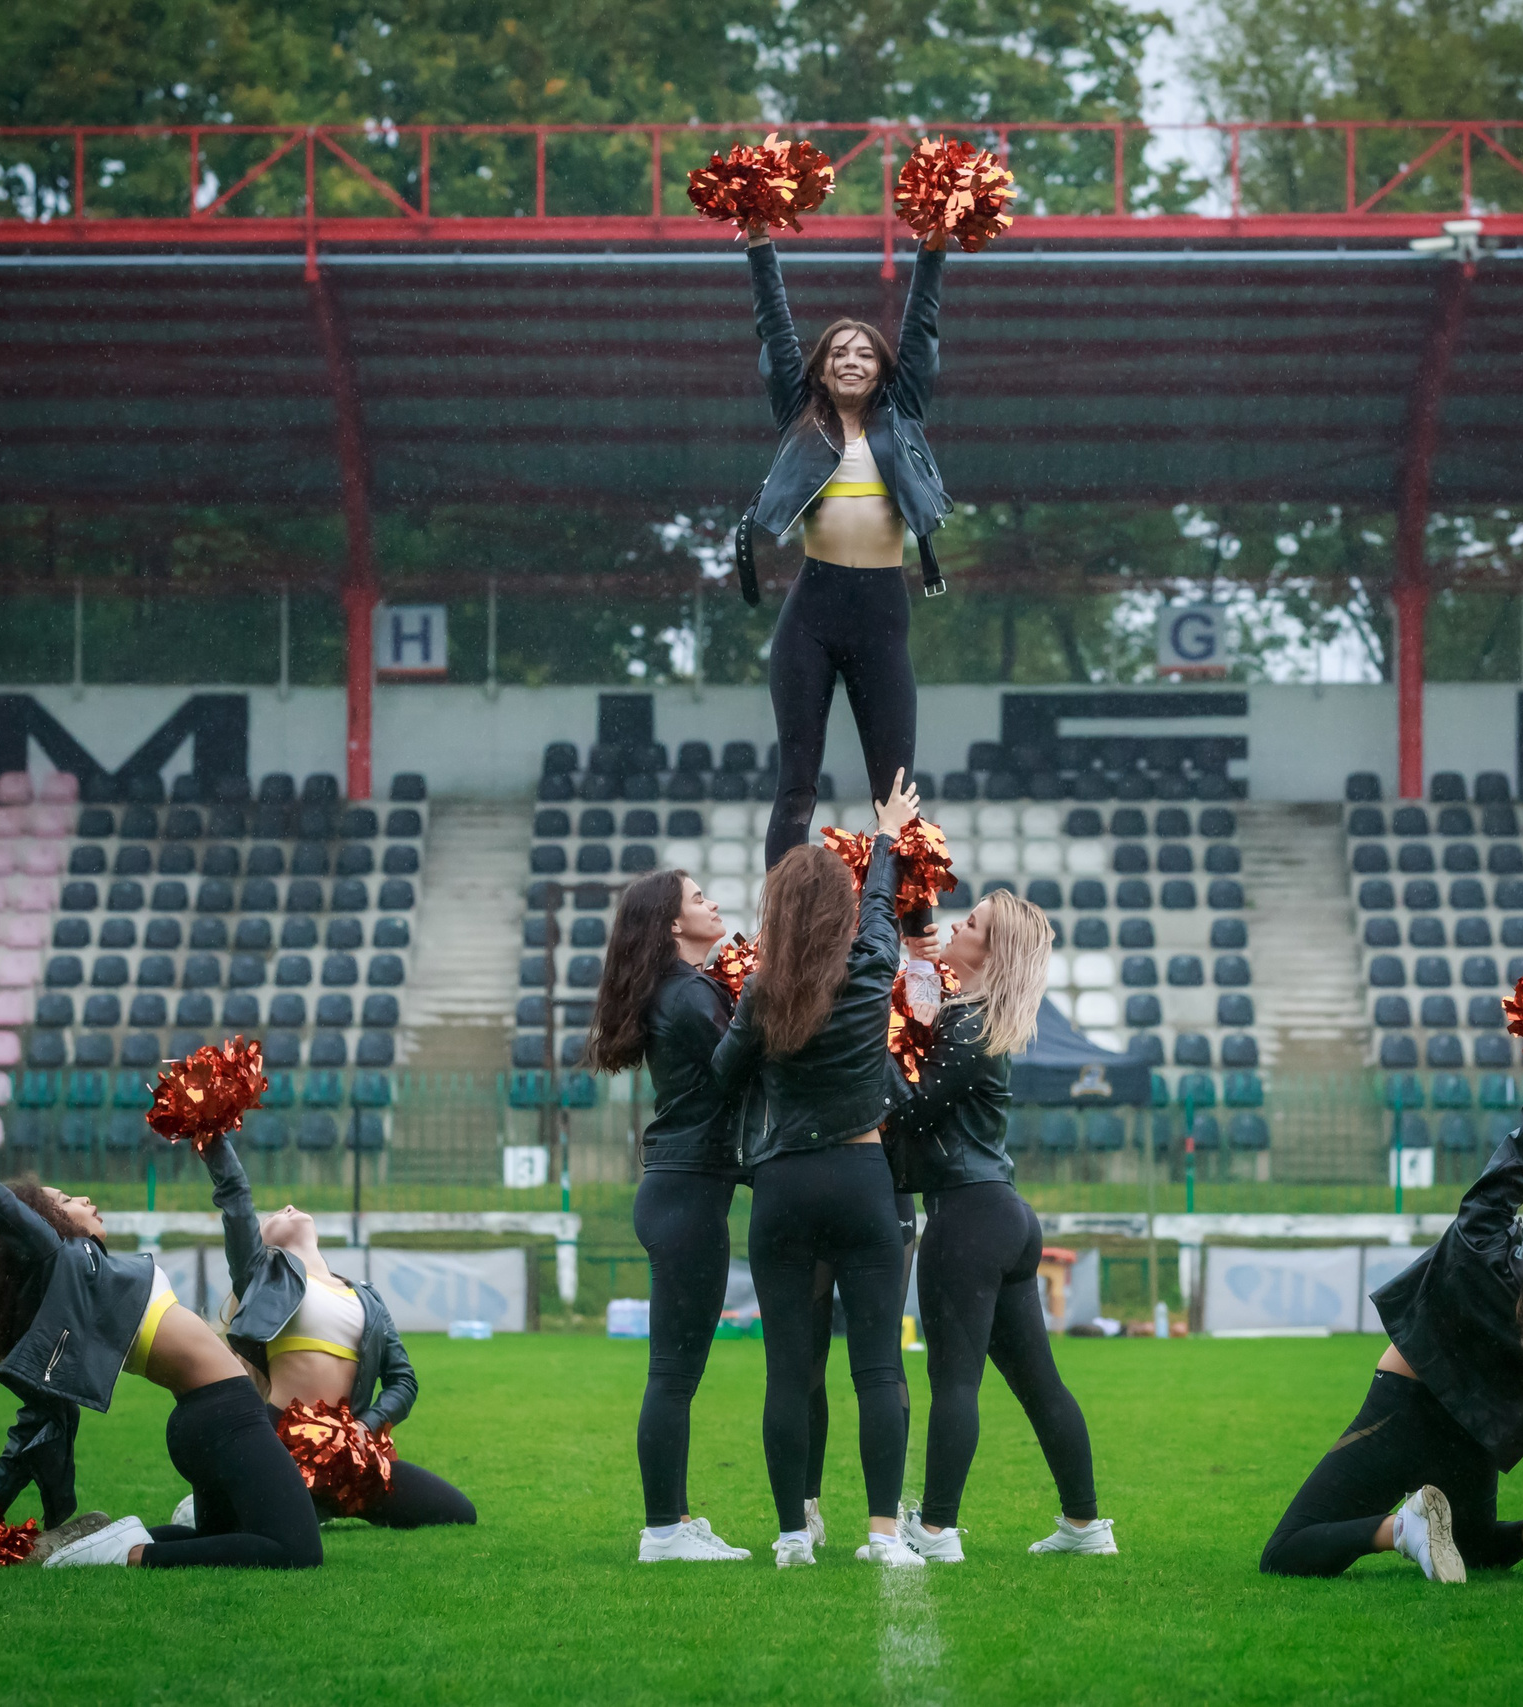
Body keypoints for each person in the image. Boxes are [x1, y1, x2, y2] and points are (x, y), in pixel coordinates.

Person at [1258, 1030, 1523, 1582]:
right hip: (1474, 1436)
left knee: (1286, 1551)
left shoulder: (1482, 1247)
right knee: (1471, 1543)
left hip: (1403, 1410)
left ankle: (1402, 1529)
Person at [0, 1133, 321, 1570]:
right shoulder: (59, 1258)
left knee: (222, 1539)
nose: (84, 1198)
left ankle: (102, 1539)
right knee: (298, 1551)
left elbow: (31, 1428)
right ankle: (121, 1553)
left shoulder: (84, 1287)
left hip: (208, 1417)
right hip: (223, 1416)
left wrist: (213, 1141)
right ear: (45, 1224)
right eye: (66, 1200)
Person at [713, 768, 926, 1567]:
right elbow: (880, 907)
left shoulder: (765, 989)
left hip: (782, 1190)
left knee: (788, 1370)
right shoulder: (872, 964)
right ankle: (880, 1532)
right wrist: (884, 834)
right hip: (862, 1179)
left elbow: (721, 1072)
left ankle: (791, 1535)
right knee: (876, 1365)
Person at [886, 889, 1112, 1562]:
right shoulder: (975, 1018)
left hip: (968, 1216)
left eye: (973, 922)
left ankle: (935, 1528)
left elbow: (905, 1107)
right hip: (1001, 1213)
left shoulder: (970, 1026)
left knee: (955, 1381)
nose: (957, 923)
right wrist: (914, 972)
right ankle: (1085, 1524)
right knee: (1039, 1382)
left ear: (990, 950)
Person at [742, 218, 950, 940]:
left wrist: (933, 245)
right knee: (795, 784)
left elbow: (921, 323)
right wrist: (759, 245)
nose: (853, 360)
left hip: (882, 617)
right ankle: (778, 928)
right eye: (839, 352)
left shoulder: (906, 415)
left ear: (883, 368)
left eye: (866, 352)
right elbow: (775, 327)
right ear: (822, 369)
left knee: (896, 792)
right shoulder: (798, 418)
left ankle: (918, 932)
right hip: (812, 613)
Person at [587, 867, 753, 1562]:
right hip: (686, 1193)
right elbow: (736, 1075)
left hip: (681, 1188)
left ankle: (675, 1516)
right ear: (672, 923)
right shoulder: (686, 995)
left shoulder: (682, 989)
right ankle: (662, 1530)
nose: (713, 903)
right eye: (698, 897)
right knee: (674, 1374)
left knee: (676, 1371)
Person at [196, 1135, 477, 1531]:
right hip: (279, 1444)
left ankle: (314, 1505)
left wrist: (368, 1424)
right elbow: (236, 1199)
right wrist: (213, 1139)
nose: (288, 1207)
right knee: (254, 1528)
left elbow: (403, 1380)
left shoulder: (367, 1298)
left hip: (351, 1450)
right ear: (261, 1243)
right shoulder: (263, 1278)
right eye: (275, 1214)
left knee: (459, 1513)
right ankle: (255, 1503)